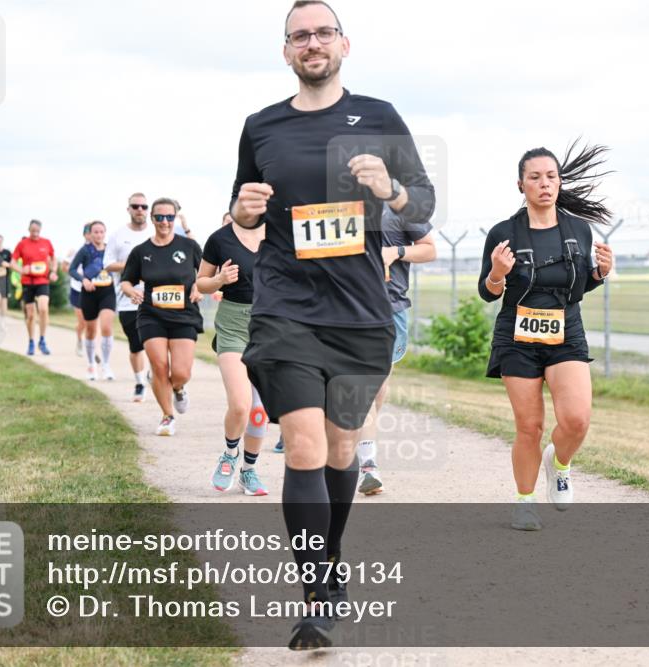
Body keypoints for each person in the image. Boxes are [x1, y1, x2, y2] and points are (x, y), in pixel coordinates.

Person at [229, 0, 435, 649]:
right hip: (286, 306)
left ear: (344, 44)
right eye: (299, 36)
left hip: (359, 313)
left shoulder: (378, 117)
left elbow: (423, 202)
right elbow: (242, 212)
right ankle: (317, 595)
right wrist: (243, 207)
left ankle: (330, 557)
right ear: (286, 51)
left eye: (322, 33)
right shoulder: (261, 127)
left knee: (343, 450)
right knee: (306, 447)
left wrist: (391, 191)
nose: (311, 43)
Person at [478, 144, 614, 532]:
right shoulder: (503, 233)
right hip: (517, 334)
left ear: (559, 181)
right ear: (520, 184)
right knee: (530, 426)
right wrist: (497, 273)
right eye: (535, 177)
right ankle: (525, 502)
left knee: (576, 420)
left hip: (566, 329)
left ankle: (560, 464)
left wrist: (600, 273)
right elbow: (487, 292)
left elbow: (577, 286)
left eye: (551, 176)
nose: (544, 184)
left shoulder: (578, 230)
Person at [355, 204, 437, 495]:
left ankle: (358, 436)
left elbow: (429, 249)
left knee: (376, 390)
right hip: (349, 308)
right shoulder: (337, 206)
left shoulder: (401, 207)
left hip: (391, 309)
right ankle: (368, 465)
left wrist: (397, 252)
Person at [196, 213, 269, 496]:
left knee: (260, 411)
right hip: (233, 325)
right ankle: (229, 454)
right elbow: (201, 283)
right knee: (241, 404)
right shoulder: (220, 239)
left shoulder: (277, 236)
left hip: (269, 326)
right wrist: (219, 279)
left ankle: (249, 471)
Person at [120, 198, 204, 436]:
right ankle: (167, 416)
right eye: (159, 217)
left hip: (184, 315)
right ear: (152, 219)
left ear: (175, 217)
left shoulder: (189, 246)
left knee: (181, 372)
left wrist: (199, 288)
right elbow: (126, 280)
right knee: (159, 366)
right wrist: (131, 291)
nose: (165, 222)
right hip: (151, 315)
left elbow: (207, 273)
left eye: (169, 217)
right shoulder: (141, 251)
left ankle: (178, 388)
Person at [104, 192, 152, 402]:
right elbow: (108, 264)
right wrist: (132, 266)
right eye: (135, 206)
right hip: (127, 300)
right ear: (129, 209)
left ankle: (154, 373)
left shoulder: (153, 233)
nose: (139, 210)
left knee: (157, 341)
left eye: (143, 206)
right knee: (136, 345)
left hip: (154, 298)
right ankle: (140, 381)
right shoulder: (117, 235)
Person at [69, 221, 117, 381]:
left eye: (101, 232)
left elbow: (119, 265)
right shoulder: (85, 250)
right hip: (89, 293)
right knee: (90, 331)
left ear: (105, 233)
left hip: (107, 292)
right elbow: (72, 269)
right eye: (95, 232)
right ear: (90, 234)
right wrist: (83, 280)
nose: (98, 235)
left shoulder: (110, 249)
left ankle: (106, 364)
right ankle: (91, 364)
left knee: (106, 327)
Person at [10, 219, 57, 355]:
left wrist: (53, 271)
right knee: (30, 315)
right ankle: (31, 342)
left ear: (40, 230)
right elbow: (12, 263)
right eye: (33, 231)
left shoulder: (46, 242)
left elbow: (53, 258)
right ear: (29, 230)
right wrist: (20, 270)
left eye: (37, 231)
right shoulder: (22, 244)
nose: (35, 233)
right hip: (27, 282)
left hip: (42, 281)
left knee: (43, 308)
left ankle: (42, 340)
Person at [63, 224, 93, 356]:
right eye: (89, 232)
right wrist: (78, 275)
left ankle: (90, 346)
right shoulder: (76, 249)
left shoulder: (101, 249)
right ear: (85, 234)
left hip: (92, 289)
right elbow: (64, 267)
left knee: (91, 322)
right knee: (82, 321)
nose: (92, 235)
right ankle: (80, 341)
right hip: (77, 289)